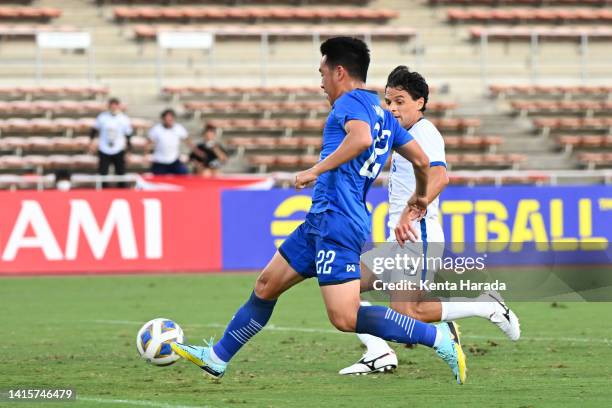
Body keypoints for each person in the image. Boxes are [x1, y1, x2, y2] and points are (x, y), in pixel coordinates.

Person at [172, 37, 467, 385]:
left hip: (338, 222)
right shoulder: (382, 113)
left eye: (323, 73)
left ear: (339, 72)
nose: (321, 82)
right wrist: (418, 197)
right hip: (320, 220)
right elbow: (420, 160)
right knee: (266, 285)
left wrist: (316, 170)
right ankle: (218, 357)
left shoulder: (348, 105)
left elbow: (359, 139)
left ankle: (438, 338)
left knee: (344, 316)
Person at [339, 66, 521, 375]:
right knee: (345, 287)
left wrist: (412, 210)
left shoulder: (424, 132)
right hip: (400, 237)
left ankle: (488, 306)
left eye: (400, 101)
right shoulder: (404, 136)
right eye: (389, 102)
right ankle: (379, 353)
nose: (393, 108)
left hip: (417, 234)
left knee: (408, 312)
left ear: (420, 102)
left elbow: (440, 176)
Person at [89, 97, 132, 187]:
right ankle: (103, 191)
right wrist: (91, 143)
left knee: (120, 172)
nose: (113, 107)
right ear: (109, 106)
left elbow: (128, 135)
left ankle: (122, 191)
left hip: (119, 148)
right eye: (112, 105)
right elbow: (94, 130)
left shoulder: (124, 119)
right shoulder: (102, 117)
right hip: (104, 148)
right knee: (103, 172)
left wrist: (129, 151)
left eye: (115, 105)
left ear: (118, 106)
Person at [148, 109, 192, 175]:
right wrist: (147, 154)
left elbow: (188, 141)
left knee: (183, 174)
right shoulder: (156, 129)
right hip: (160, 160)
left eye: (170, 119)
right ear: (163, 119)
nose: (169, 121)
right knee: (158, 180)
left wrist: (197, 152)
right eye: (167, 119)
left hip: (173, 159)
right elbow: (149, 143)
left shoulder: (178, 128)